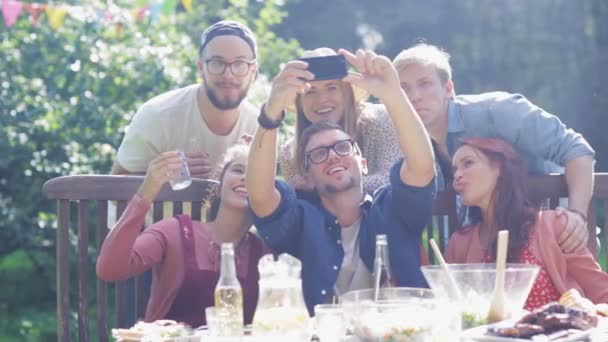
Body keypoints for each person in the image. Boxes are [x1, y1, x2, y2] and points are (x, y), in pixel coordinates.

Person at [246, 49, 436, 314]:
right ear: (307, 177)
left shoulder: (393, 209)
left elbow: (422, 168)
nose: (333, 156)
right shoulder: (301, 222)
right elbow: (260, 196)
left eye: (343, 148)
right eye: (319, 154)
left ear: (364, 163)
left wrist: (393, 94)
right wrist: (271, 112)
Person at [393, 43, 595, 253]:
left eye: (424, 83)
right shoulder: (412, 145)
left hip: (555, 236)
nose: (414, 96)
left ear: (448, 89)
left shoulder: (497, 111)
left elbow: (576, 149)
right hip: (487, 249)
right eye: (403, 88)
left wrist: (577, 216)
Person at [97, 141, 268, 328]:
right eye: (238, 170)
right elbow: (109, 269)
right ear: (218, 187)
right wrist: (146, 192)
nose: (246, 178)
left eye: (256, 174)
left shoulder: (265, 254)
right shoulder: (174, 232)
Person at [445, 138, 608, 310]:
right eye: (454, 169)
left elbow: (601, 292)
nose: (457, 175)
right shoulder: (459, 243)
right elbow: (448, 307)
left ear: (500, 168)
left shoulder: (554, 226)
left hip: (560, 333)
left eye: (467, 163)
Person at [112, 20, 259, 179]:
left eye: (240, 64)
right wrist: (164, 176)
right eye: (217, 63)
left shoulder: (259, 127)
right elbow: (115, 185)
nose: (228, 75)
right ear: (201, 67)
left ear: (253, 71)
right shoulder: (158, 114)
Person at [278, 47, 402, 195]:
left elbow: (394, 181)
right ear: (300, 103)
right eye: (310, 91)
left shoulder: (381, 121)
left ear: (347, 93)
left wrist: (322, 184)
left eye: (332, 87)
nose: (322, 99)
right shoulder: (289, 153)